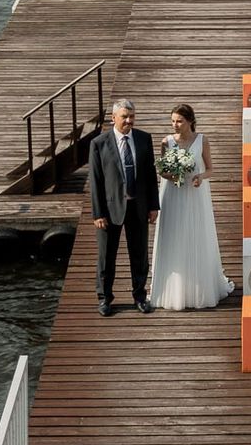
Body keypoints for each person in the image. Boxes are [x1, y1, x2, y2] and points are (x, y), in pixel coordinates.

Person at [150, 104, 234, 311]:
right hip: (173, 194)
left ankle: (198, 287)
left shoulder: (202, 140)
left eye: (179, 121)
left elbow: (210, 169)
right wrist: (173, 175)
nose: (175, 125)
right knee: (174, 236)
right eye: (173, 121)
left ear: (190, 121)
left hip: (195, 195)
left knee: (195, 234)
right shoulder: (166, 142)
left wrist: (200, 177)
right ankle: (173, 288)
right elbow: (162, 171)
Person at [87, 99, 160, 316]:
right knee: (106, 256)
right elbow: (96, 181)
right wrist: (98, 212)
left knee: (139, 255)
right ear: (113, 118)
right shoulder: (99, 144)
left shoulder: (144, 139)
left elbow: (149, 175)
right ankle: (104, 298)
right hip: (110, 210)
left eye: (132, 117)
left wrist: (153, 206)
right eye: (124, 117)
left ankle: (140, 296)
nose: (129, 121)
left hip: (138, 206)